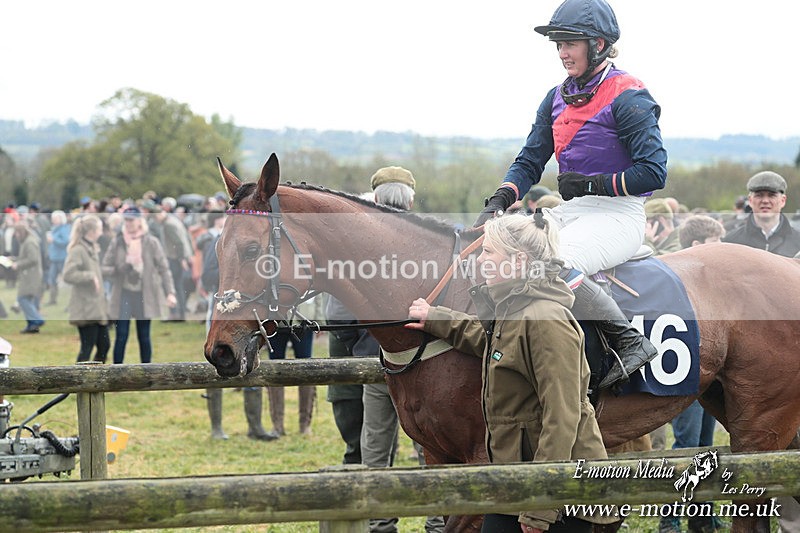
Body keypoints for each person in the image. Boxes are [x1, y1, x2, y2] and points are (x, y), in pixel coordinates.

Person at [475, 0, 667, 389]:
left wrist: (591, 184)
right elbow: (530, 161)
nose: (562, 52)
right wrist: (500, 198)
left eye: (570, 43)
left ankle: (627, 341)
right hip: (571, 211)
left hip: (619, 215)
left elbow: (654, 172)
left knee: (552, 262)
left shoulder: (628, 95)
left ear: (598, 44)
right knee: (500, 249)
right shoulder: (555, 97)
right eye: (558, 44)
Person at [408, 213, 613, 533]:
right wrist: (435, 318)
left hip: (556, 497)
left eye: (488, 252)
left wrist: (540, 508)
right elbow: (489, 342)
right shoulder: (515, 308)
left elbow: (562, 417)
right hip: (516, 480)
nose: (480, 259)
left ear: (517, 262)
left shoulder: (546, 321)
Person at [356, 166, 445, 533]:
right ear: (410, 198)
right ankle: (439, 520)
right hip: (429, 361)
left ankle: (380, 523)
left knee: (376, 444)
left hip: (376, 358)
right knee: (434, 443)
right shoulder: (428, 240)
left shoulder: (357, 245)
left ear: (375, 197)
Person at [658, 214, 726, 533]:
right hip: (686, 375)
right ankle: (670, 519)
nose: (721, 250)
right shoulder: (676, 282)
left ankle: (701, 516)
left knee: (705, 445)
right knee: (685, 446)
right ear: (697, 246)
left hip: (708, 373)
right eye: (716, 245)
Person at [199, 212, 279, 442]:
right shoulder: (219, 246)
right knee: (217, 367)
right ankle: (216, 427)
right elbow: (207, 278)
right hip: (220, 313)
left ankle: (255, 425)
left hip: (245, 312)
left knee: (250, 362)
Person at [102, 206, 177, 364]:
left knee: (144, 336)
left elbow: (164, 269)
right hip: (124, 293)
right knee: (121, 335)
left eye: (131, 220)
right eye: (126, 220)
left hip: (144, 294)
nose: (128, 223)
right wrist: (119, 269)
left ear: (139, 221)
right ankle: (117, 372)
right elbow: (105, 268)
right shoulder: (118, 242)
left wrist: (170, 292)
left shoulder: (151, 242)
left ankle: (146, 371)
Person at [62, 215, 110, 363]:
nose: (101, 233)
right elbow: (68, 274)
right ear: (92, 231)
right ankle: (77, 381)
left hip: (96, 307)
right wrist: (89, 276)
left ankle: (96, 379)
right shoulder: (78, 250)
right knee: (87, 348)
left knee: (104, 346)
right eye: (100, 229)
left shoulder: (92, 248)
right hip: (85, 307)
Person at [722, 171, 800, 257]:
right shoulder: (731, 242)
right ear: (750, 200)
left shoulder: (798, 242)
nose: (765, 201)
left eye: (771, 195)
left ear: (783, 200)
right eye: (759, 195)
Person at [11, 223, 45, 333]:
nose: (15, 235)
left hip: (31, 276)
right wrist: (15, 259)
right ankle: (31, 326)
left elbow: (33, 259)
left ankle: (37, 319)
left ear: (20, 232)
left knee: (22, 298)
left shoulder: (30, 242)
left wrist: (18, 264)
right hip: (28, 275)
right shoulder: (27, 241)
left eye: (16, 233)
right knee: (28, 299)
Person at [45, 210, 71, 306]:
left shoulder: (64, 229)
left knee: (67, 280)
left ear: (61, 219)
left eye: (55, 218)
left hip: (62, 257)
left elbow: (65, 242)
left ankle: (70, 302)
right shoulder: (54, 228)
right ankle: (52, 300)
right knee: (52, 279)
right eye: (53, 218)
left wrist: (53, 240)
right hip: (54, 258)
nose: (53, 220)